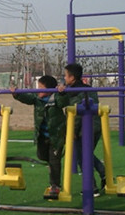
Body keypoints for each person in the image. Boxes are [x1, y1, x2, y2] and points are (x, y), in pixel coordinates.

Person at [11, 75, 66, 199]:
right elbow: (27, 98)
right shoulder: (37, 99)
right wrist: (16, 94)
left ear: (50, 90)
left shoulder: (56, 98)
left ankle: (55, 185)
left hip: (56, 137)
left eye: (41, 88)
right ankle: (50, 165)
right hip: (42, 136)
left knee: (54, 161)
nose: (38, 90)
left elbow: (63, 102)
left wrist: (62, 93)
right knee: (41, 155)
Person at [57, 63, 106, 196]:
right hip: (96, 126)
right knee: (87, 154)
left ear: (72, 77)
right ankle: (104, 174)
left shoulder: (75, 92)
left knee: (82, 158)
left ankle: (91, 187)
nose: (64, 78)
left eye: (66, 76)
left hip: (84, 129)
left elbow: (77, 114)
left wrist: (72, 130)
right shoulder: (88, 89)